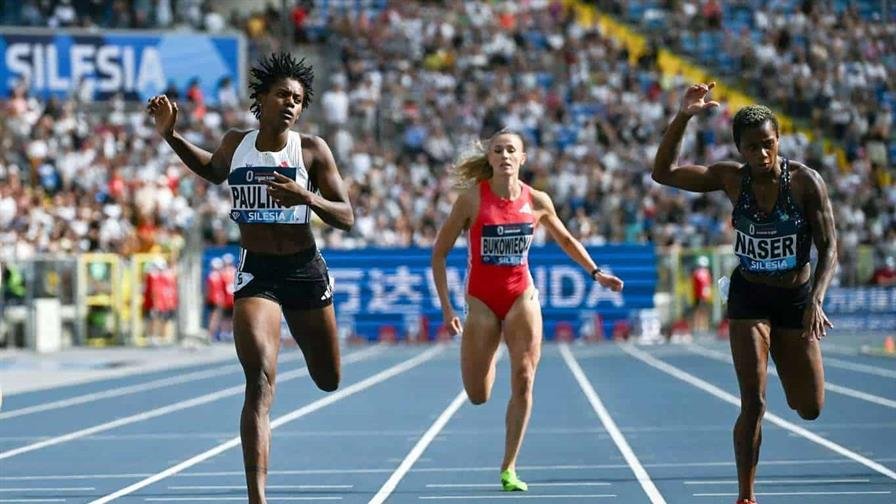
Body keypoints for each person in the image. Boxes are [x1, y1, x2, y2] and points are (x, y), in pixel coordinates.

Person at [147, 51, 354, 504]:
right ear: (261, 98)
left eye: (297, 99)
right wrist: (172, 136)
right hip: (257, 271)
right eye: (282, 95)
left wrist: (307, 197)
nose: (290, 104)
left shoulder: (312, 150)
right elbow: (212, 170)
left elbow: (347, 216)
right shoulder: (236, 143)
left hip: (304, 270)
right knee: (259, 380)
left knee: (329, 379)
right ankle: (257, 498)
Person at [652, 82, 838, 504]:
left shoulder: (805, 183)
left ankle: (790, 353)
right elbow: (663, 173)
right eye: (752, 147)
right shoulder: (731, 179)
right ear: (740, 149)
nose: (762, 154)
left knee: (809, 407)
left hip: (795, 297)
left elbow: (829, 247)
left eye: (768, 144)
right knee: (753, 402)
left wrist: (816, 298)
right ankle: (746, 496)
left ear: (779, 141)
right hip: (749, 296)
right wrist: (683, 117)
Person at [431, 130, 624, 492]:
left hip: (522, 295)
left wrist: (595, 272)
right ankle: (489, 353)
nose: (505, 155)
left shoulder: (536, 200)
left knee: (524, 377)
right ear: (490, 158)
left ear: (522, 159)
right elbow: (439, 254)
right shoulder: (472, 200)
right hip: (482, 301)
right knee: (477, 395)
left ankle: (509, 467)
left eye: (511, 150)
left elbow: (566, 238)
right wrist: (446, 307)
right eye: (498, 150)